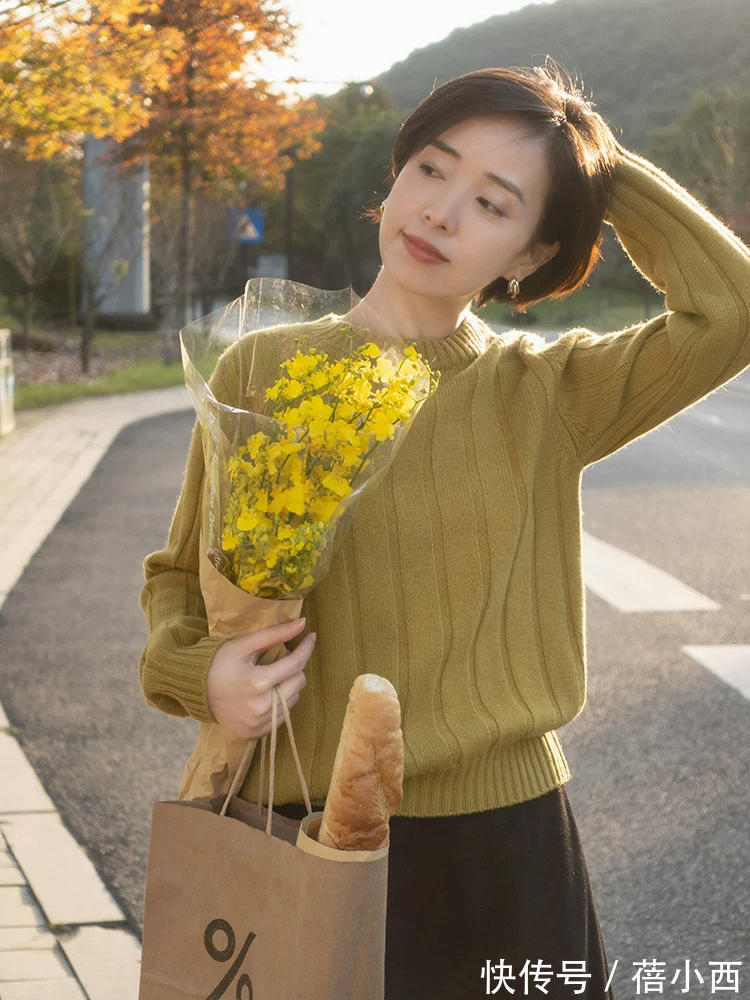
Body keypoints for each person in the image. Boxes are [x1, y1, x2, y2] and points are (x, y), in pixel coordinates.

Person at [139, 63, 750, 999]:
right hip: (293, 819)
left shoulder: (545, 393)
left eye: (495, 204)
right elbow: (180, 583)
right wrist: (205, 678)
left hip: (501, 841)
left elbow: (730, 312)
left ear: (530, 257)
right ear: (393, 182)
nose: (440, 212)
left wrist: (595, 163)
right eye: (431, 168)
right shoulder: (264, 369)